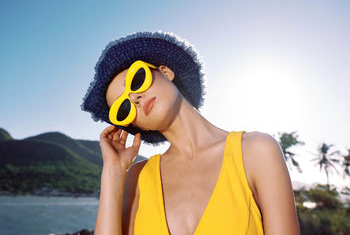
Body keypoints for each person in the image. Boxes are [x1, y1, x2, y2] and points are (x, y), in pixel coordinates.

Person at [81, 30, 301, 235]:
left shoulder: (256, 151)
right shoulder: (138, 177)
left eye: (137, 80)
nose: (134, 98)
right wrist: (114, 172)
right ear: (138, 126)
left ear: (166, 72)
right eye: (124, 109)